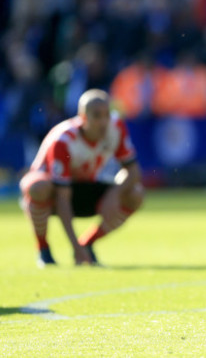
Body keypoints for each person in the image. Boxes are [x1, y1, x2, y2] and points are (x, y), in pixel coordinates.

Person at [19, 89, 144, 267]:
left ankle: (88, 243)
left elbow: (133, 171)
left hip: (85, 186)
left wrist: (115, 194)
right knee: (38, 186)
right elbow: (63, 196)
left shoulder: (116, 127)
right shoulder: (64, 140)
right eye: (96, 116)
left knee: (135, 194)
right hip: (54, 194)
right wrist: (74, 247)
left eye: (106, 115)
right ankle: (43, 249)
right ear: (83, 117)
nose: (103, 121)